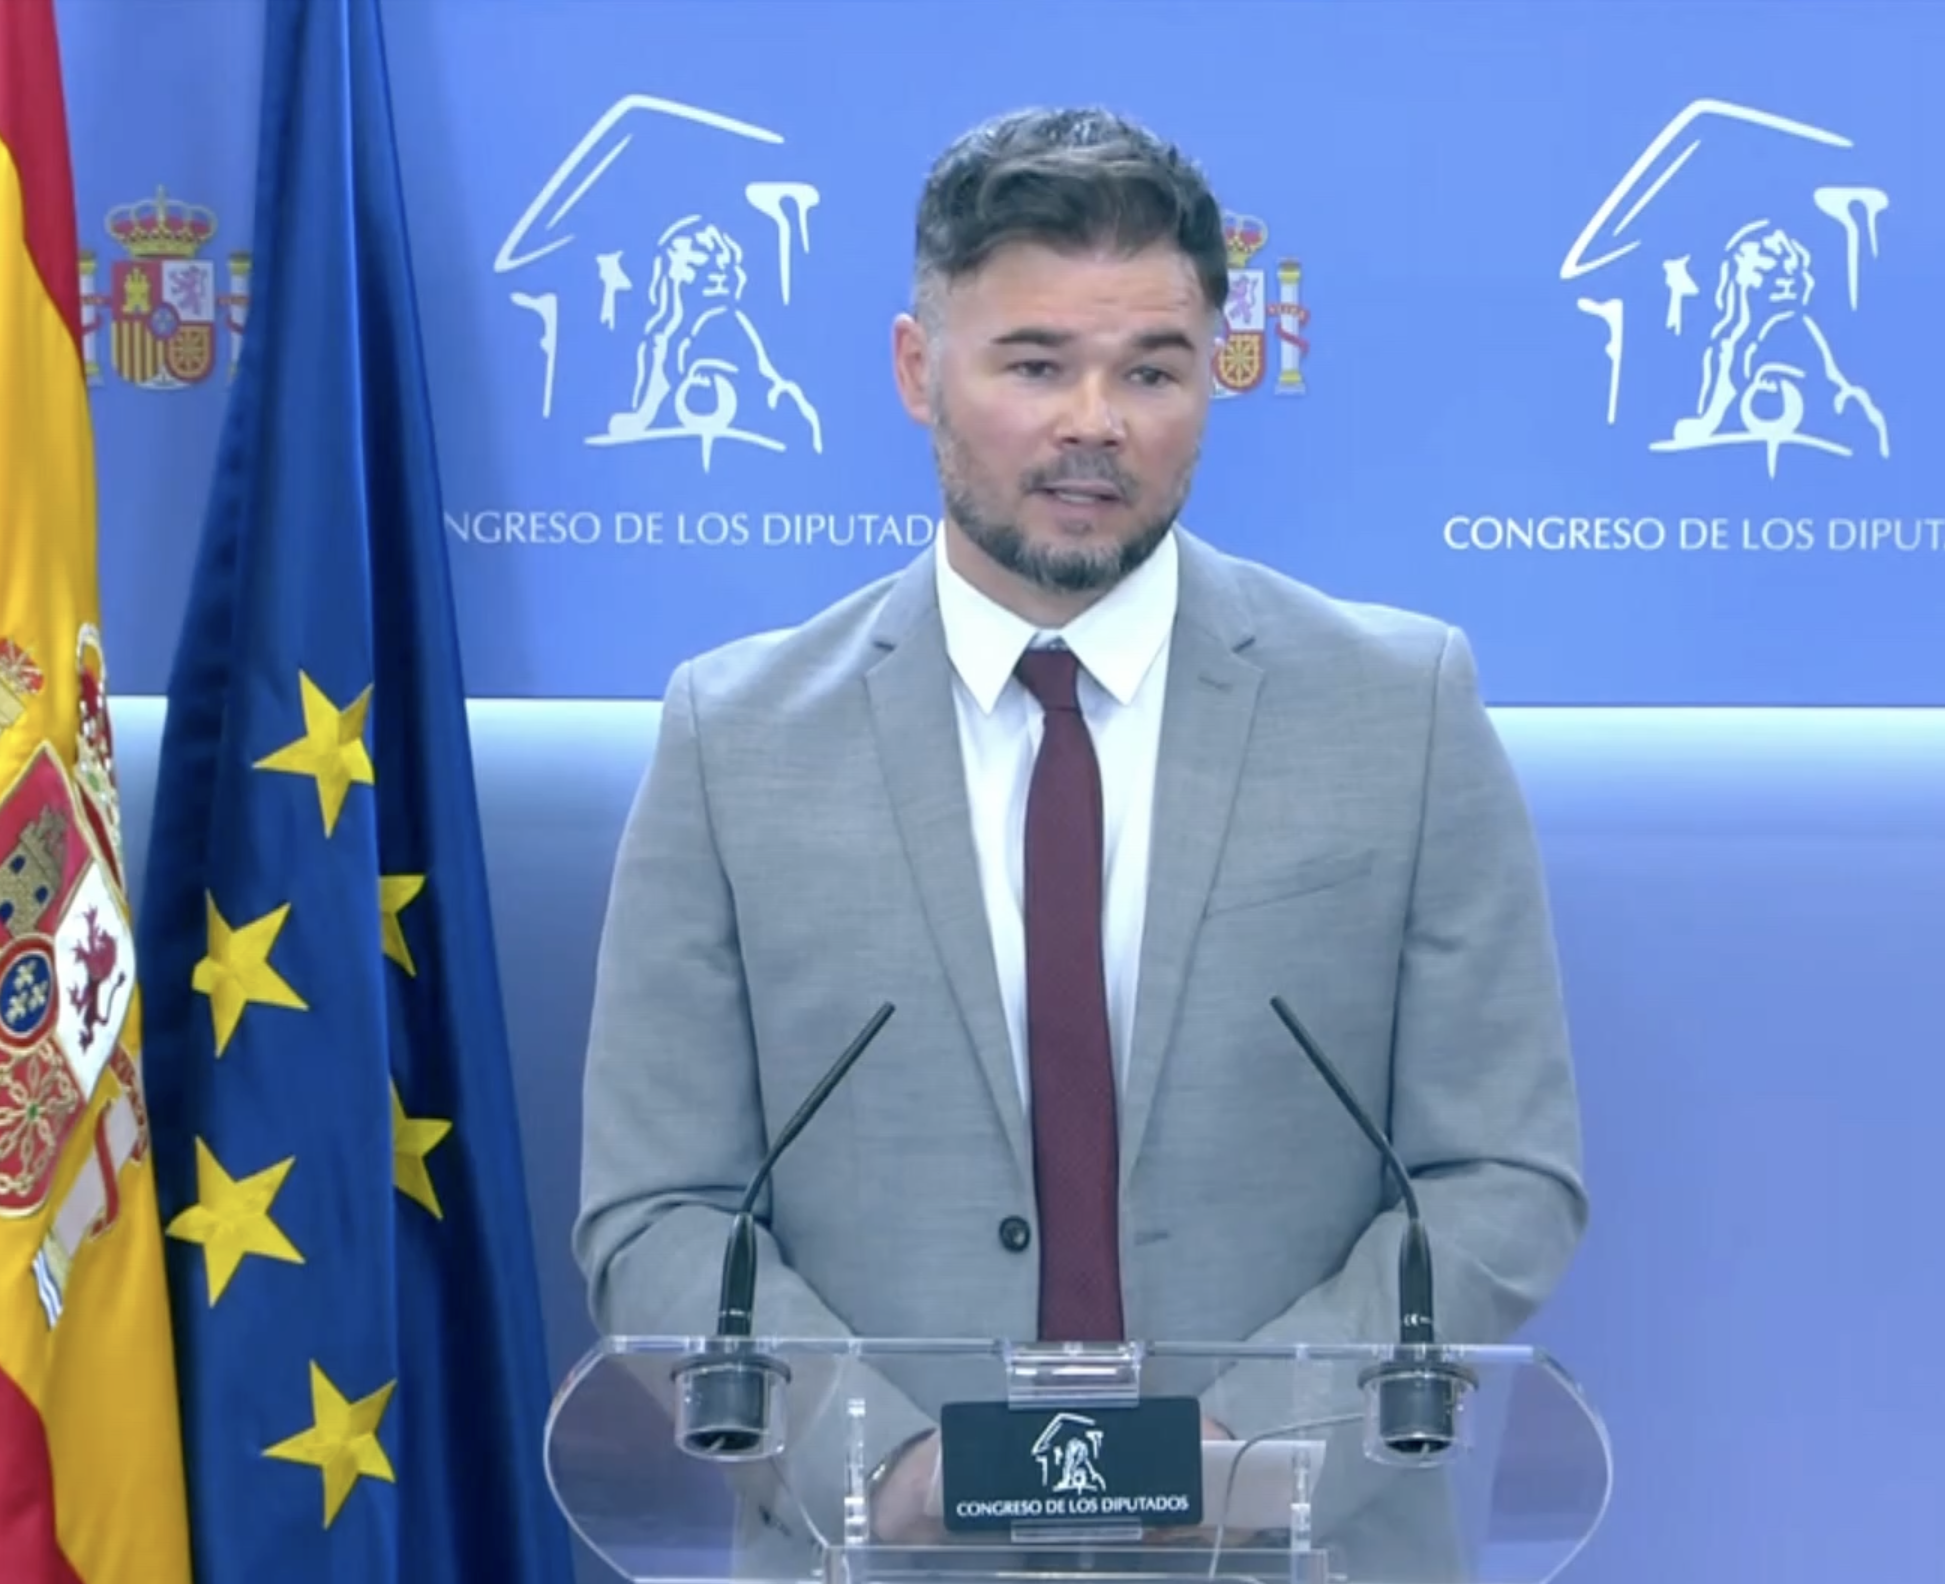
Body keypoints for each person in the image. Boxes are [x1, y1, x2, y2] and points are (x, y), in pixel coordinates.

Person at [575, 105, 1587, 1559]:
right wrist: (888, 1470)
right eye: (1036, 363)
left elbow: (1500, 1172)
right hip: (884, 1554)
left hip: (1290, 1548)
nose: (1094, 422)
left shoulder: (1400, 709)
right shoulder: (734, 740)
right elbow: (658, 1206)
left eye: (1151, 370)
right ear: (918, 370)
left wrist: (1253, 1456)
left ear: (1214, 377)